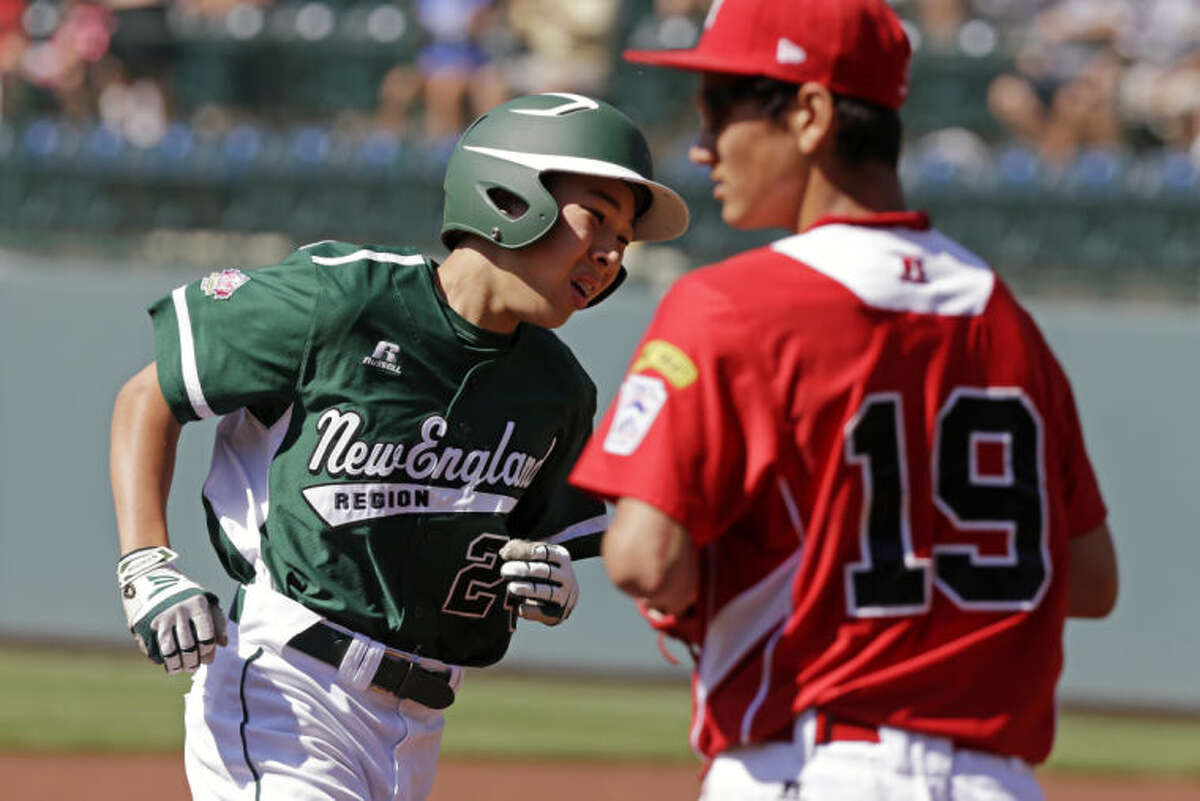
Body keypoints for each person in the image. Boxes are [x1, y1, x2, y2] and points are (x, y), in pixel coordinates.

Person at [568, 1, 1119, 799]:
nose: (702, 144)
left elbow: (645, 557)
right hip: (997, 779)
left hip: (816, 760)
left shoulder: (730, 303)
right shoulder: (1001, 314)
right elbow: (1092, 580)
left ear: (811, 112)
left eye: (721, 110)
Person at [109, 91, 688, 801]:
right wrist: (147, 565)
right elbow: (150, 395)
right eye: (597, 218)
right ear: (508, 196)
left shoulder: (556, 388)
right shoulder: (345, 298)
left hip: (417, 726)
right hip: (287, 689)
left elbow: (531, 537)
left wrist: (550, 573)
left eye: (624, 240)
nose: (609, 253)